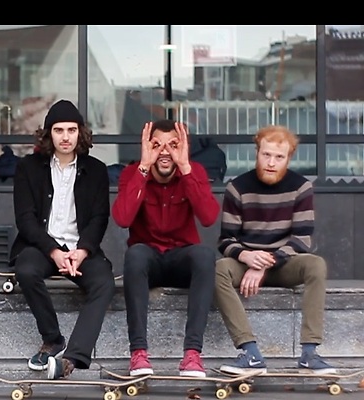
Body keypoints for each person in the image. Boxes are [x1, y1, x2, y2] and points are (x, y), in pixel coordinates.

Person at [215, 125, 335, 375]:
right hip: (245, 263)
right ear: (257, 153)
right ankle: (250, 352)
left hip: (283, 264)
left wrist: (264, 263)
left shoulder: (301, 187)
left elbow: (302, 239)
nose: (271, 163)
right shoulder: (238, 187)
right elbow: (226, 240)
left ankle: (309, 353)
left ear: (289, 158)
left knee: (316, 265)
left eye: (279, 157)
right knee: (218, 269)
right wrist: (247, 257)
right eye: (266, 155)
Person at [10, 99, 116, 380]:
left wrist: (82, 251)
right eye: (59, 130)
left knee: (104, 282)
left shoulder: (96, 169)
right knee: (26, 270)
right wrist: (54, 251)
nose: (66, 137)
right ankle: (53, 339)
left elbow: (99, 218)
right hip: (43, 247)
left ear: (81, 133)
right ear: (49, 134)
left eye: (71, 130)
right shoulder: (28, 167)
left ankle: (72, 358)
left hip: (81, 249)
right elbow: (25, 219)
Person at [111, 119, 220, 378]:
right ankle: (138, 353)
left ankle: (192, 354)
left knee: (205, 256)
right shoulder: (132, 173)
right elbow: (122, 219)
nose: (165, 152)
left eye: (173, 145)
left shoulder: (193, 171)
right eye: (156, 145)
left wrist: (186, 167)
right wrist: (143, 168)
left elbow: (208, 217)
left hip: (181, 258)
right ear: (146, 147)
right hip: (148, 260)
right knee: (136, 254)